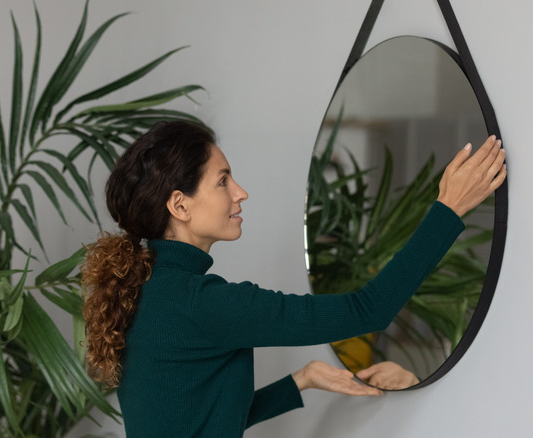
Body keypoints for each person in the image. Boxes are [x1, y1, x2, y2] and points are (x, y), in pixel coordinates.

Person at [81, 120, 506, 437]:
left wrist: (302, 380)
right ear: (180, 205)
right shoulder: (204, 302)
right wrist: (448, 210)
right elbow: (369, 310)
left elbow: (199, 422)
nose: (240, 192)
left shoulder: (147, 288)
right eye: (223, 180)